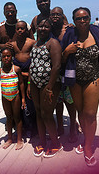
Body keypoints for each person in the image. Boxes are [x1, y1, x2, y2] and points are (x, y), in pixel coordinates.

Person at [61, 7, 99, 167]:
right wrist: (67, 51)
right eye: (79, 19)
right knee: (81, 113)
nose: (83, 21)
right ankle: (87, 139)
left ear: (90, 17)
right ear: (74, 20)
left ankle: (88, 147)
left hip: (93, 78)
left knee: (90, 114)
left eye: (85, 17)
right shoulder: (69, 35)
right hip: (75, 80)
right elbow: (62, 61)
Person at [28, 18, 63, 158]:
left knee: (47, 114)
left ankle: (55, 144)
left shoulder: (53, 43)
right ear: (36, 28)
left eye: (46, 26)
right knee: (38, 112)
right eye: (40, 26)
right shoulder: (36, 44)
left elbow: (57, 66)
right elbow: (32, 65)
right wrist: (30, 84)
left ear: (50, 29)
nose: (42, 29)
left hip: (49, 85)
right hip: (36, 84)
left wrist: (49, 87)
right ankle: (42, 142)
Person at [50, 7, 78, 143]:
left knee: (70, 102)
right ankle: (60, 126)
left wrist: (65, 54)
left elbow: (74, 50)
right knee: (57, 102)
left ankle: (73, 127)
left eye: (58, 14)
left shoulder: (70, 30)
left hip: (68, 72)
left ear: (62, 16)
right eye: (53, 15)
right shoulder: (49, 32)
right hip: (55, 73)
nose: (55, 17)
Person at [0, 47, 26, 150]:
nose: (6, 58)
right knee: (9, 117)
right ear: (1, 58)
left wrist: (23, 99)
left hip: (15, 96)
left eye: (8, 56)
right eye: (4, 56)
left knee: (17, 117)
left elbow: (21, 83)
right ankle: (10, 138)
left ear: (12, 57)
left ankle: (19, 139)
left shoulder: (16, 69)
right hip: (5, 97)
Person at [11, 21, 37, 136]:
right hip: (17, 81)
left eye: (22, 29)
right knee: (19, 104)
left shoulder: (32, 43)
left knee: (32, 104)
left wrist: (28, 77)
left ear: (27, 30)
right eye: (18, 29)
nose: (20, 31)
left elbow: (35, 62)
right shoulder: (12, 45)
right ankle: (22, 127)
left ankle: (35, 128)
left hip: (30, 79)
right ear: (15, 31)